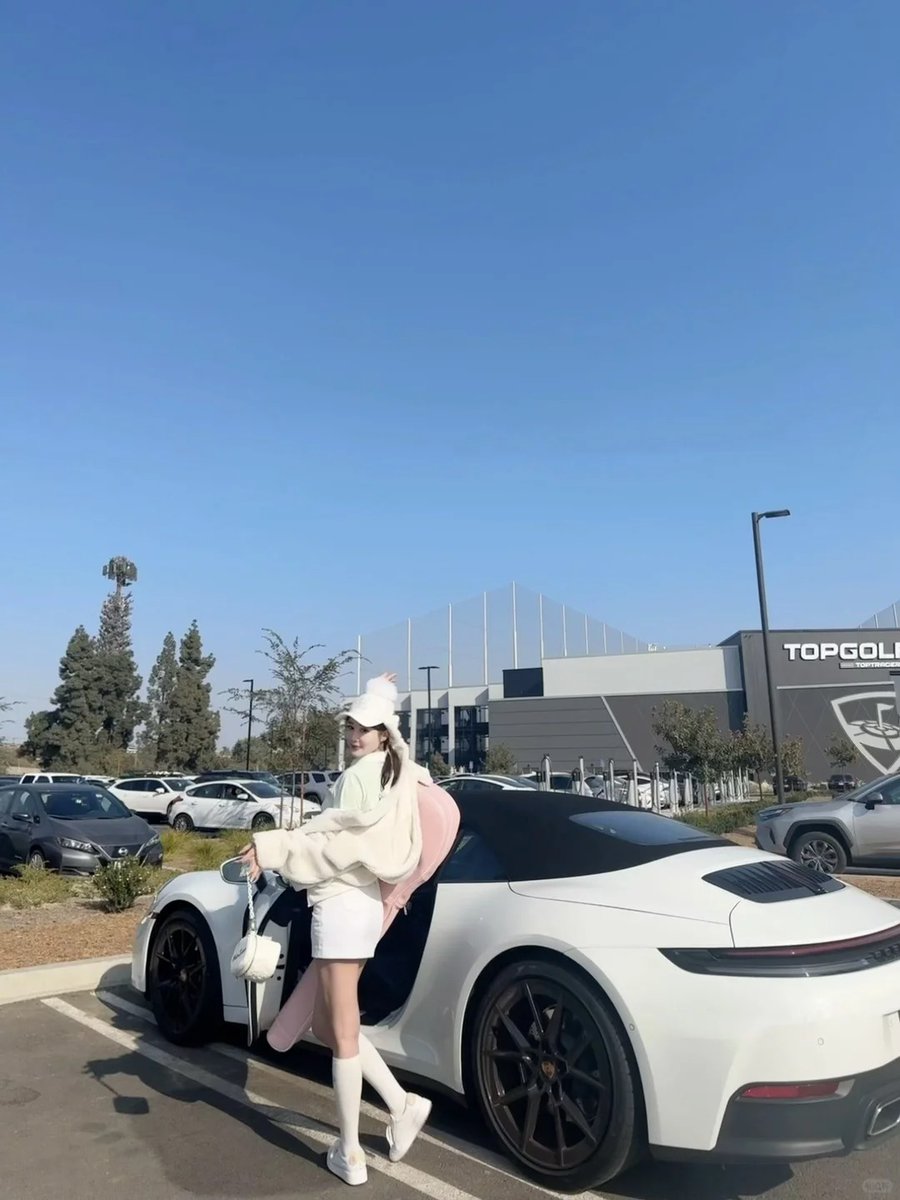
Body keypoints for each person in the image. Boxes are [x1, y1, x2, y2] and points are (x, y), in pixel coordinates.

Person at [239, 674, 432, 1187]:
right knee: (327, 1026)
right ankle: (402, 1103)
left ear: (384, 734)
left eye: (365, 729)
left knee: (340, 1032)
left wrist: (271, 848)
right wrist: (380, 689)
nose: (354, 735)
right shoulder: (400, 775)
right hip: (362, 908)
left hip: (341, 908)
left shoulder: (358, 780)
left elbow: (330, 848)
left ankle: (349, 1152)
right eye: (351, 726)